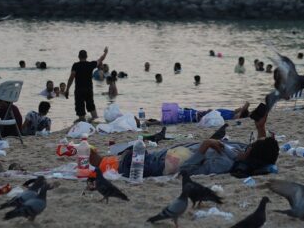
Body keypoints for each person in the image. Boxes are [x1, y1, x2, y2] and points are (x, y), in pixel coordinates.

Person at [89, 107, 278, 179]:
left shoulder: (225, 163)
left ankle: (99, 162)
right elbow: (258, 149)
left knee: (126, 160)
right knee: (129, 154)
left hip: (156, 166)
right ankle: (103, 160)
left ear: (252, 156)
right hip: (161, 156)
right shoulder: (240, 151)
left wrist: (205, 146)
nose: (248, 146)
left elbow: (187, 170)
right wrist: (261, 127)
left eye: (250, 147)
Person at [65, 47, 108, 122]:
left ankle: (82, 120)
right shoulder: (90, 64)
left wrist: (67, 89)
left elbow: (71, 77)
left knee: (80, 109)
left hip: (79, 90)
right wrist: (105, 52)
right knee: (91, 106)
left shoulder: (76, 65)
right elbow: (101, 59)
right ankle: (95, 120)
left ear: (79, 56)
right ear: (86, 56)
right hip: (88, 90)